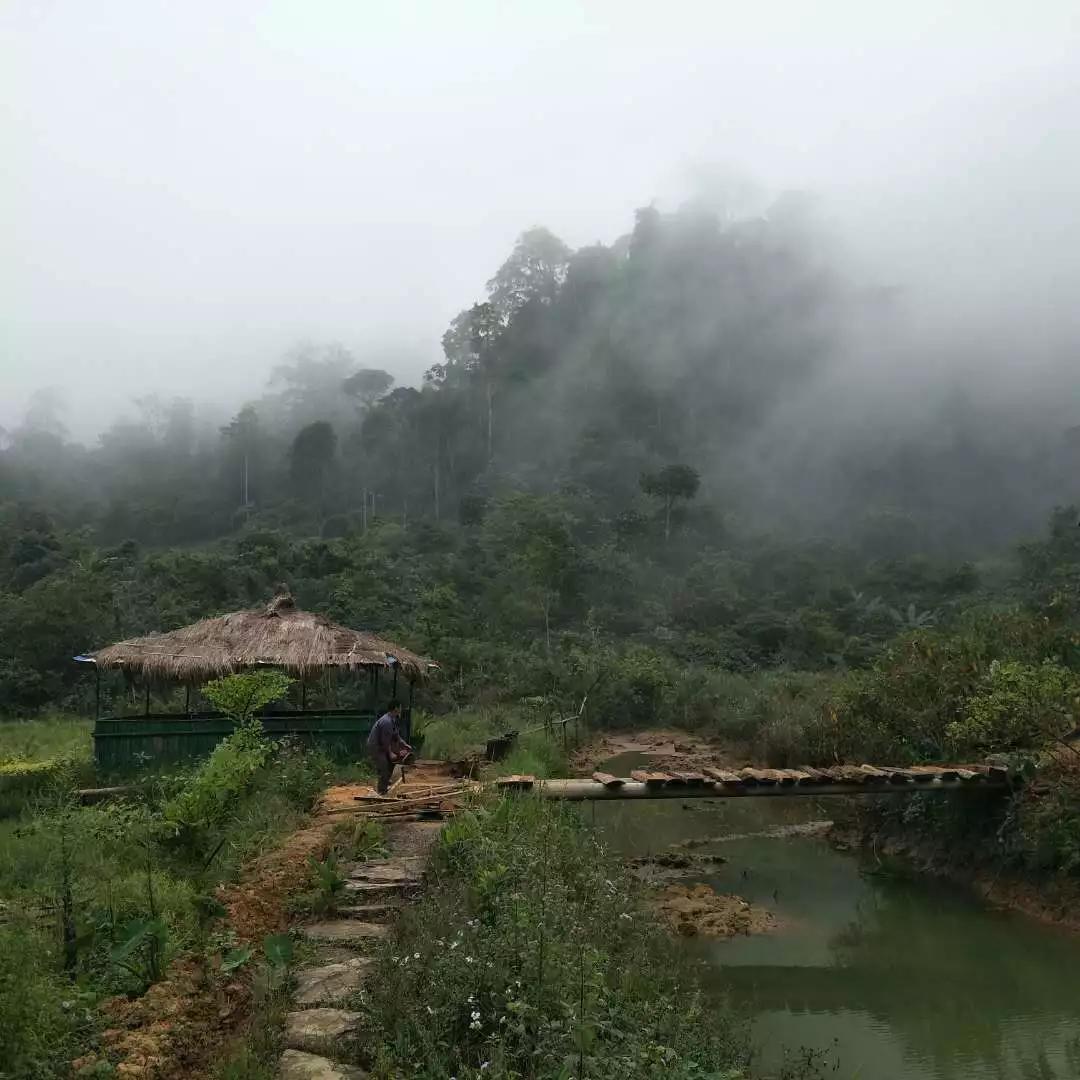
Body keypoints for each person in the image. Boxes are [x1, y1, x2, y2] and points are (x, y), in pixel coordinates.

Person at [367, 700, 412, 795]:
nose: (401, 709)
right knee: (384, 767)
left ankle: (385, 784)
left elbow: (396, 735)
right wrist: (391, 753)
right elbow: (385, 742)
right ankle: (382, 792)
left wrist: (404, 744)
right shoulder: (386, 721)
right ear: (396, 708)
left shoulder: (393, 719)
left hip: (382, 746)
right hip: (376, 747)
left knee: (392, 762)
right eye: (400, 707)